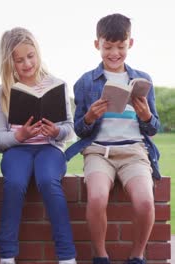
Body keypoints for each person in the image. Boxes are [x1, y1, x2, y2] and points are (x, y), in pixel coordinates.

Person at [65, 13, 160, 264]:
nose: (114, 52)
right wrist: (89, 117)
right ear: (97, 45)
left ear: (130, 43)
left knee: (145, 202)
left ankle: (137, 256)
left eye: (121, 46)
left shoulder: (142, 79)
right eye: (108, 47)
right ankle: (100, 256)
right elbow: (80, 130)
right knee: (96, 197)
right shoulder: (85, 82)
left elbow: (153, 129)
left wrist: (147, 116)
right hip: (98, 151)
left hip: (134, 152)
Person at [0, 27, 77, 264]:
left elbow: (70, 129)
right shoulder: (1, 93)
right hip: (18, 149)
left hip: (49, 148)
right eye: (19, 60)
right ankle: (7, 256)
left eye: (31, 56)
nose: (27, 63)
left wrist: (57, 131)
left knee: (48, 181)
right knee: (15, 183)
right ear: (9, 63)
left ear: (37, 53)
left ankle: (67, 256)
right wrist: (19, 136)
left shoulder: (57, 85)